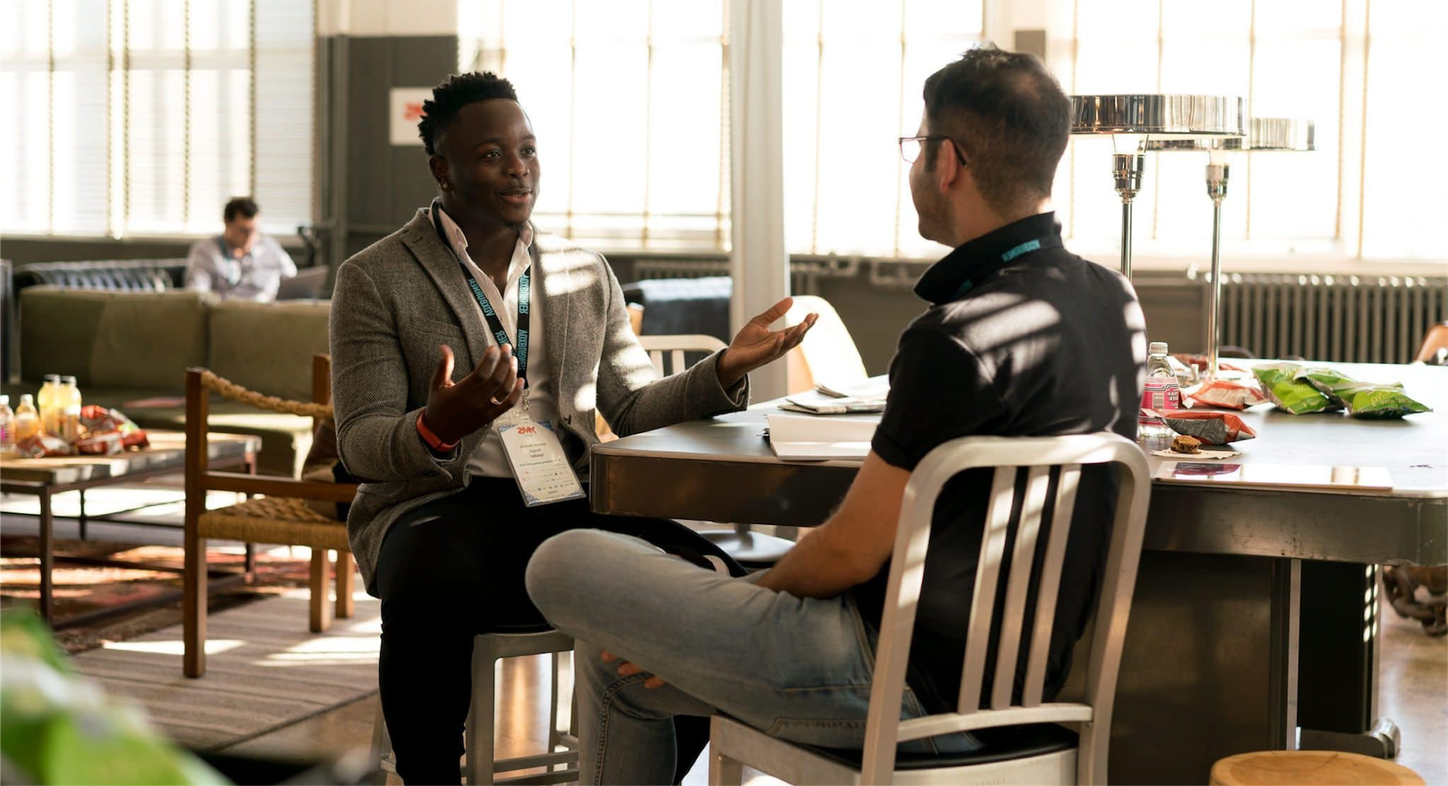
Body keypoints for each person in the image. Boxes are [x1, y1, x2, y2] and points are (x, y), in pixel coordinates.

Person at [524, 46, 1148, 784]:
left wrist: (741, 602)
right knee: (617, 663)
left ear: (949, 161)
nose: (915, 166)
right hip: (1023, 693)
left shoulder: (952, 338)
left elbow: (849, 552)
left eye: (917, 145)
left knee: (562, 559)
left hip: (890, 684)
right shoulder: (1113, 300)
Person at [328, 71, 816, 785]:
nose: (518, 168)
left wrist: (722, 368)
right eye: (492, 154)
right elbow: (361, 442)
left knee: (701, 579)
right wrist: (438, 425)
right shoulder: (375, 277)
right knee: (430, 578)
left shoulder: (584, 272)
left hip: (566, 499)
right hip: (439, 503)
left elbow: (635, 407)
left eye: (527, 150)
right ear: (442, 169)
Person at [183, 197, 298, 301]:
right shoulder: (206, 251)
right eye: (243, 231)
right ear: (226, 222)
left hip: (269, 310)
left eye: (254, 230)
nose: (249, 237)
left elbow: (293, 279)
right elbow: (197, 295)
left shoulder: (269, 246)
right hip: (229, 311)